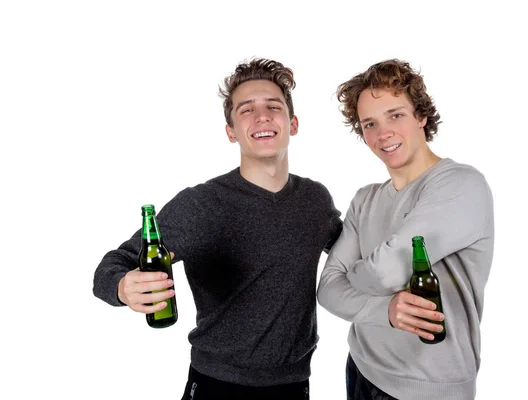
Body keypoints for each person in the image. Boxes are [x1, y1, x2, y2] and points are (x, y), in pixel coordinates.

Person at [93, 58, 343, 400]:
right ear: (231, 132)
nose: (262, 116)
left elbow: (353, 253)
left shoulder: (315, 200)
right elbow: (113, 264)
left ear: (293, 123)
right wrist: (122, 287)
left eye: (273, 106)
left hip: (295, 384)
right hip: (217, 385)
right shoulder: (201, 204)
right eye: (246, 110)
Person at [317, 59, 494, 400]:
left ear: (421, 116)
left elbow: (388, 271)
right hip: (361, 367)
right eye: (370, 123)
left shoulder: (461, 185)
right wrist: (383, 310)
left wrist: (350, 276)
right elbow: (326, 291)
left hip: (428, 387)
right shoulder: (365, 199)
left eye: (395, 115)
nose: (383, 134)